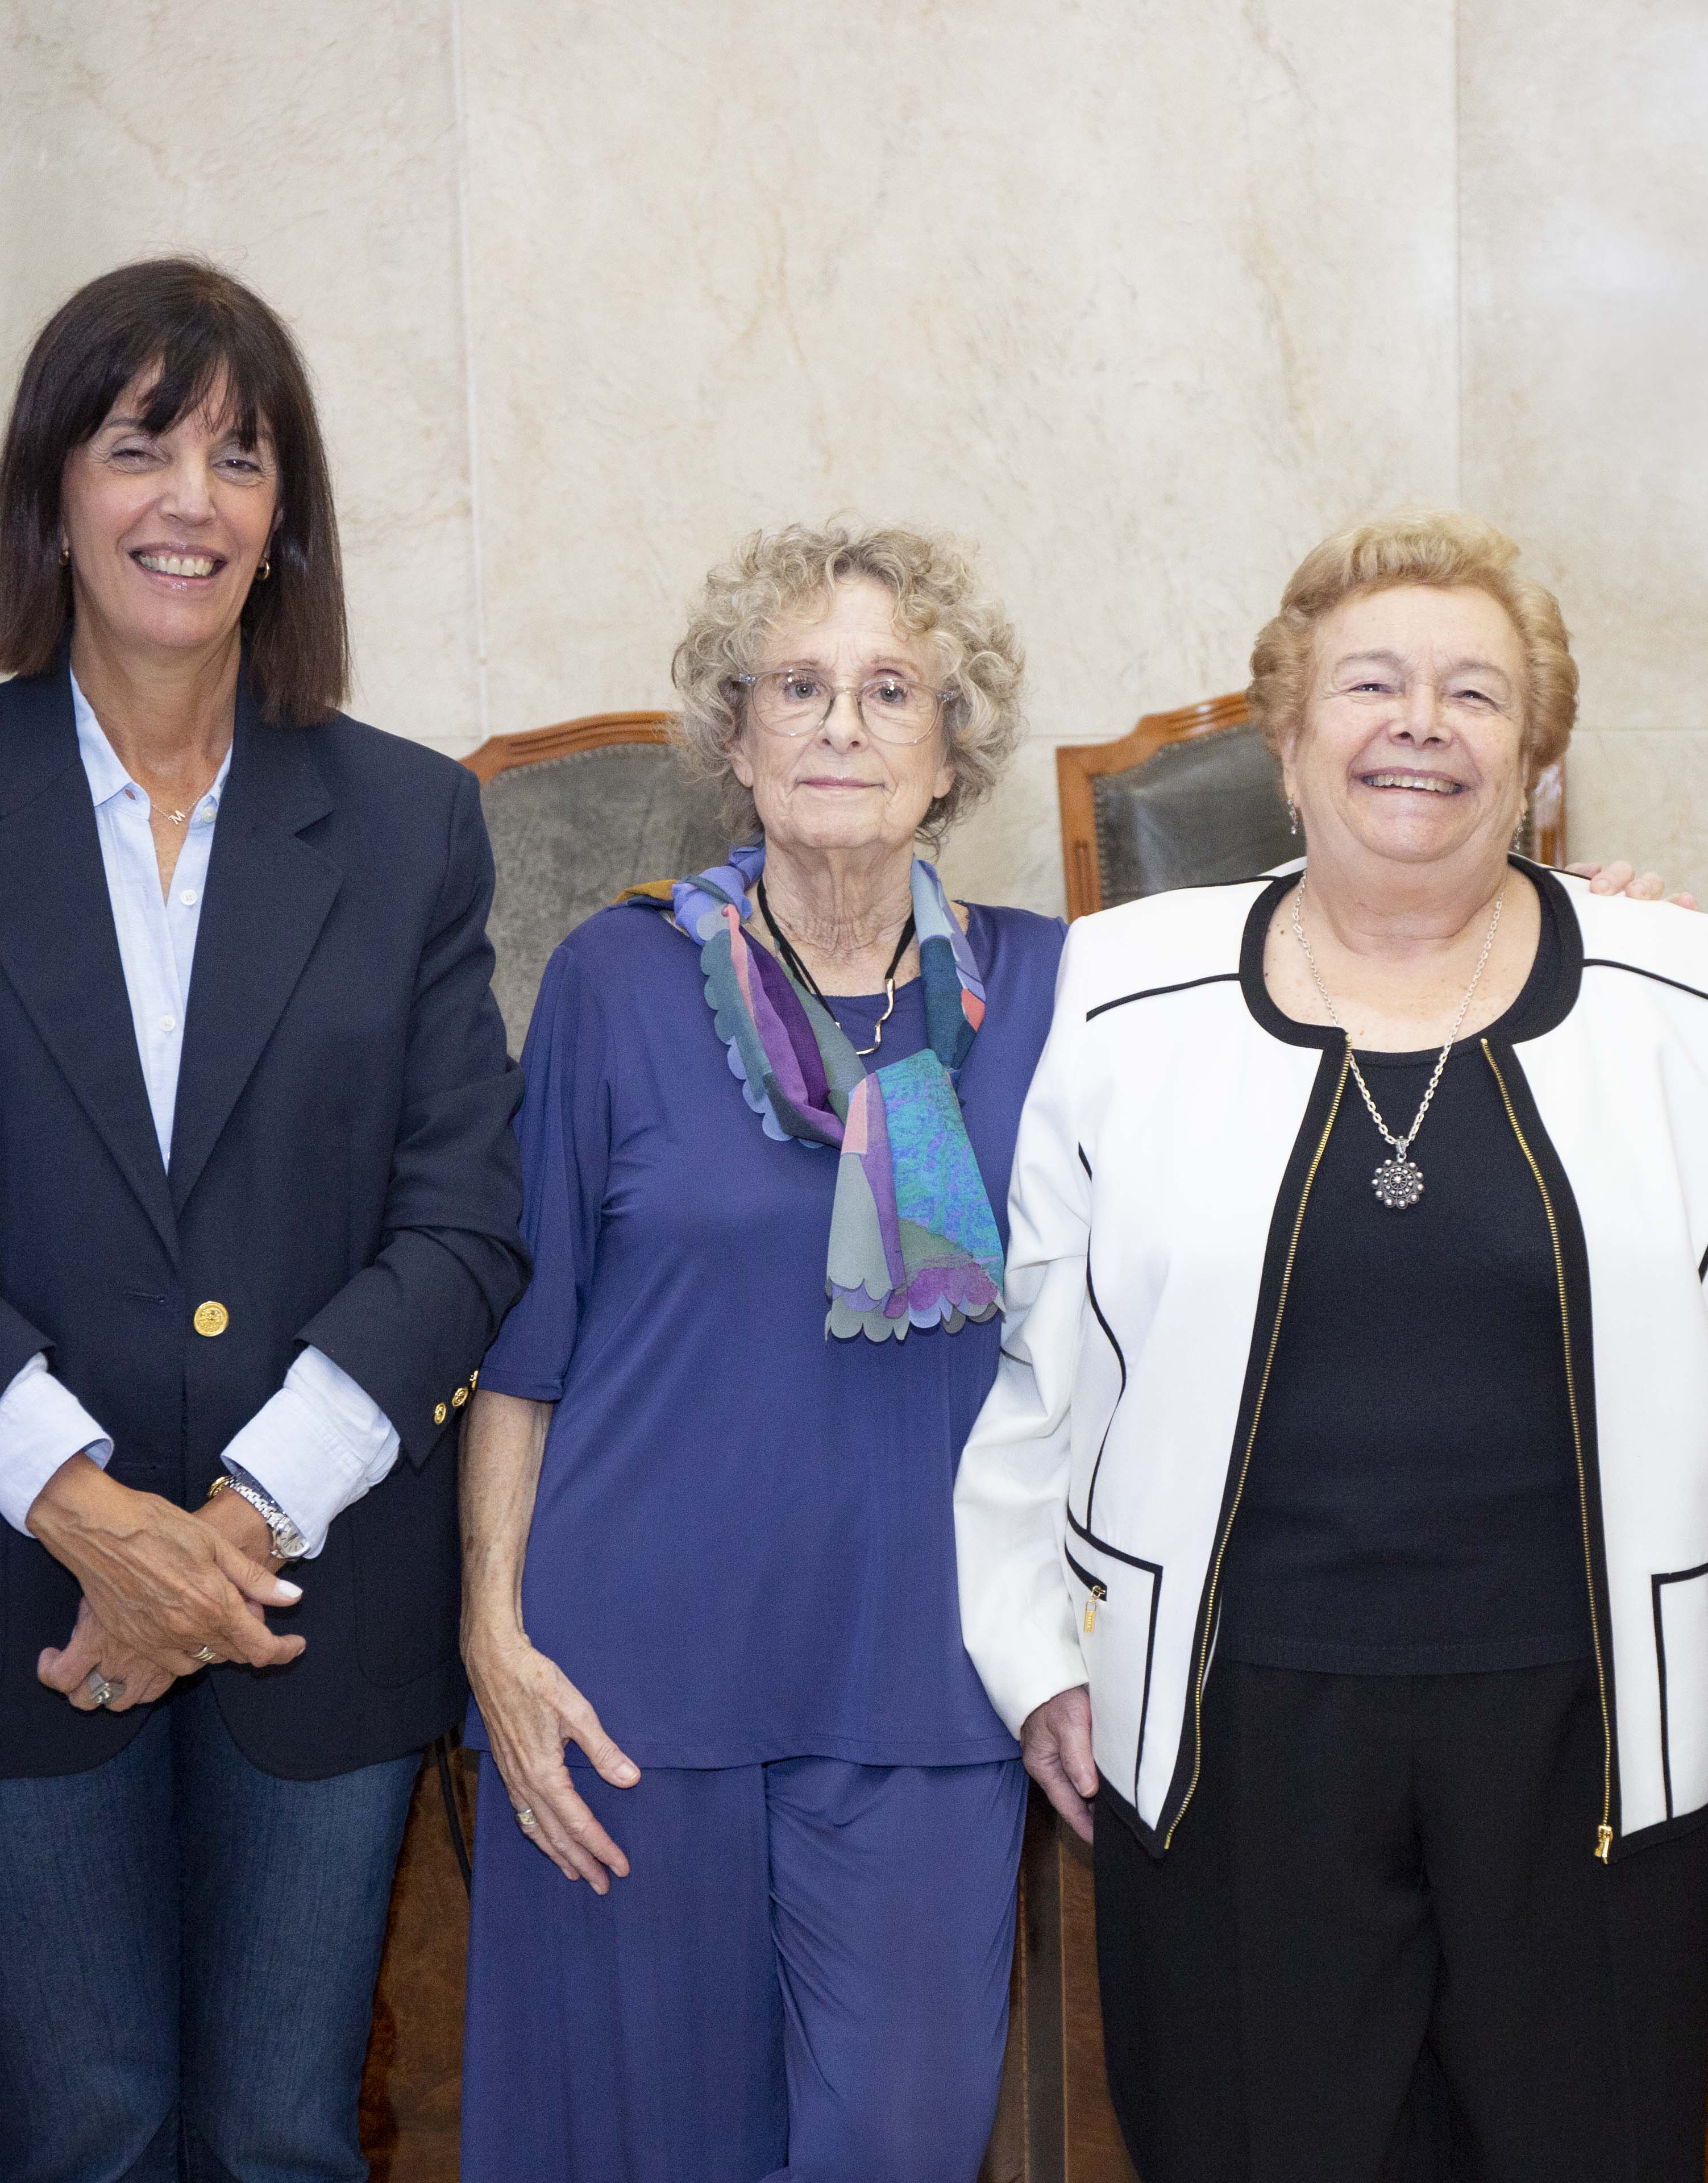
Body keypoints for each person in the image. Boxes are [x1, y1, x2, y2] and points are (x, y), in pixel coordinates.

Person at [953, 509, 1708, 2181]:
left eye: (1476, 694)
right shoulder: (1127, 993)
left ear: (1540, 764)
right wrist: (1038, 1658)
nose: (1421, 726)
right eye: (1370, 686)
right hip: (1227, 1730)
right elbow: (1042, 1369)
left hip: (1602, 1724)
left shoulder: (1691, 993)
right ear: (1287, 742)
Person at [0, 258, 528, 2182]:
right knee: (84, 2136)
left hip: (314, 1600)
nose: (191, 499)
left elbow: (462, 1224)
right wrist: (92, 1518)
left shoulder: (406, 820)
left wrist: (239, 1529)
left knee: (286, 2137)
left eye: (241, 458)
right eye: (141, 448)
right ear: (53, 497)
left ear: (288, 526)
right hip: (11, 1586)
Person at [455, 525, 1061, 2181]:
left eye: (891, 690)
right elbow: (525, 1346)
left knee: (901, 2143)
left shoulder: (1061, 994)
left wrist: (1562, 906)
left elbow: (1330, 980)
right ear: (734, 738)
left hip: (934, 1683)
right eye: (798, 686)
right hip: (632, 1687)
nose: (843, 724)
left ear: (956, 753)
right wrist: (493, 1637)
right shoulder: (616, 981)